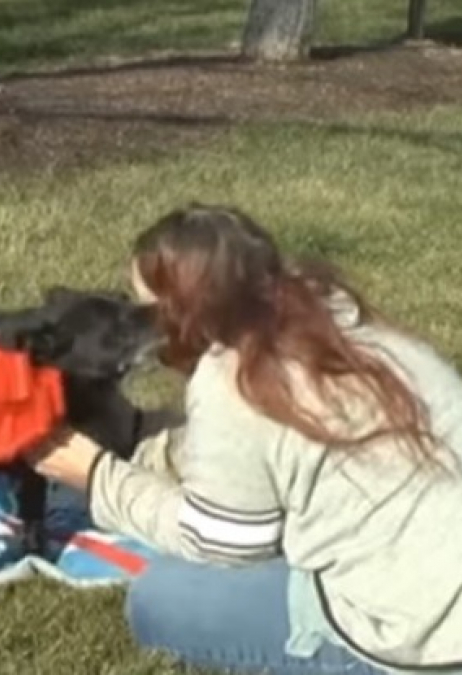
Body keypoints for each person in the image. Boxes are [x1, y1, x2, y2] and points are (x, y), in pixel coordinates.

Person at [30, 204, 462, 674]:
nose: (145, 325)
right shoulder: (340, 318)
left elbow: (223, 542)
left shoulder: (233, 381)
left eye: (149, 309)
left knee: (160, 598)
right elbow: (280, 448)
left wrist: (99, 479)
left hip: (426, 641)